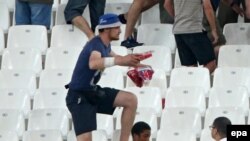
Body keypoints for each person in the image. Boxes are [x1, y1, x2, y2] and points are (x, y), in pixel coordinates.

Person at [65, 13, 148, 141]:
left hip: (91, 91)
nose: (120, 31)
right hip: (78, 96)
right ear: (107, 29)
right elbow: (93, 63)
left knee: (131, 100)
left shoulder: (105, 44)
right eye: (117, 28)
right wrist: (121, 61)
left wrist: (141, 66)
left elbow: (117, 58)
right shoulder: (95, 45)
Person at [164, 0, 218, 73]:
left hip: (179, 30)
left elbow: (167, 5)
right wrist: (213, 29)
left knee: (190, 67)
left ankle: (194, 82)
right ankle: (199, 81)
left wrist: (178, 18)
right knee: (211, 63)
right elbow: (208, 7)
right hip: (194, 28)